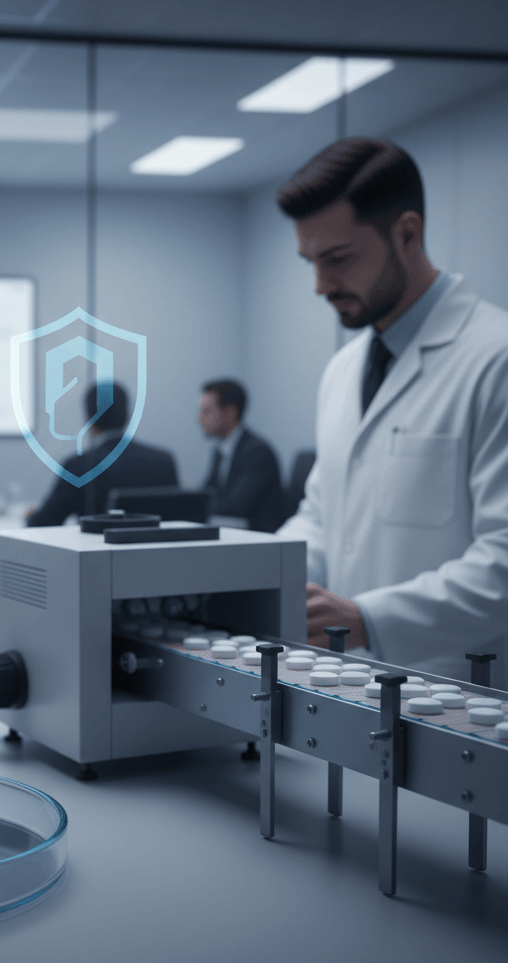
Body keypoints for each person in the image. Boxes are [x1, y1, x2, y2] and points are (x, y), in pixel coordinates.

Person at [274, 137, 508, 682]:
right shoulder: (343, 370)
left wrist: (368, 619)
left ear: (407, 233)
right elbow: (323, 515)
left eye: (337, 259)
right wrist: (258, 576)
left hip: (462, 696)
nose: (319, 286)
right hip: (350, 688)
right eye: (310, 262)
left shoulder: (495, 357)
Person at [28, 382, 179, 525]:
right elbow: (177, 519)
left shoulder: (78, 467)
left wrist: (30, 516)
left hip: (98, 551)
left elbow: (44, 522)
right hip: (156, 551)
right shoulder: (164, 461)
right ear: (127, 416)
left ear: (89, 421)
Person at [198, 379, 284, 532]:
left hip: (258, 540)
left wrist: (193, 510)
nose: (199, 419)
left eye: (207, 411)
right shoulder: (220, 450)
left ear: (230, 412)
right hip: (233, 533)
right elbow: (205, 496)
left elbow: (234, 507)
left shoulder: (258, 453)